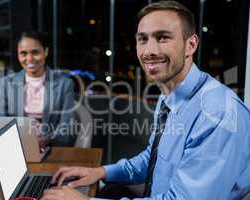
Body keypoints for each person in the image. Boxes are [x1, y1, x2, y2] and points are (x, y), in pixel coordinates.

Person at [40, 1, 250, 200]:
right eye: (143, 39)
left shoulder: (218, 113)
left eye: (162, 37)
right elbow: (153, 159)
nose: (149, 51)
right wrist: (101, 172)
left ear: (191, 45)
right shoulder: (169, 95)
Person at [0, 31, 75, 148]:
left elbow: (66, 126)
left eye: (35, 52)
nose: (29, 58)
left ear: (46, 51)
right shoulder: (5, 84)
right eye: (23, 53)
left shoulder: (65, 84)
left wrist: (45, 140)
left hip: (51, 148)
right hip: (15, 147)